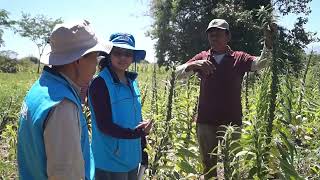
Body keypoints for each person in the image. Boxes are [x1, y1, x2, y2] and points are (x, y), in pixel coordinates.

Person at [176, 19, 275, 179]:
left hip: (232, 122)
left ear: (228, 36)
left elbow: (261, 63)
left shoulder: (239, 58)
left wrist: (268, 44)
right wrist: (193, 65)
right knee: (208, 166)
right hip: (206, 122)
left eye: (218, 33)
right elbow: (177, 74)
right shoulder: (202, 57)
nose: (214, 37)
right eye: (211, 34)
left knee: (233, 166)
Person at [17, 20, 112, 180]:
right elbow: (66, 174)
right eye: (95, 58)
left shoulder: (41, 87)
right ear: (78, 60)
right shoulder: (63, 106)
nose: (96, 66)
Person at [88, 33, 152, 180]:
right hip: (109, 161)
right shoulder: (100, 84)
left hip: (131, 158)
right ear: (109, 54)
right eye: (117, 53)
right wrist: (138, 134)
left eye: (128, 54)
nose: (123, 58)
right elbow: (104, 126)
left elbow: (137, 121)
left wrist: (143, 150)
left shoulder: (131, 82)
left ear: (133, 57)